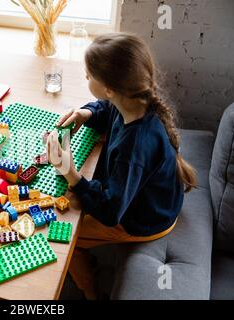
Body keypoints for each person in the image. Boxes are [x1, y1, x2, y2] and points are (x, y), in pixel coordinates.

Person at [46, 33, 197, 299]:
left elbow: (110, 211)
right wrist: (87, 113)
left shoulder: (134, 147)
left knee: (60, 237)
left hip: (144, 219)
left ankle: (90, 293)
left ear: (110, 88)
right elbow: (108, 109)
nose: (85, 78)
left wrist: (70, 172)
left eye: (89, 75)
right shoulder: (135, 99)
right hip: (151, 198)